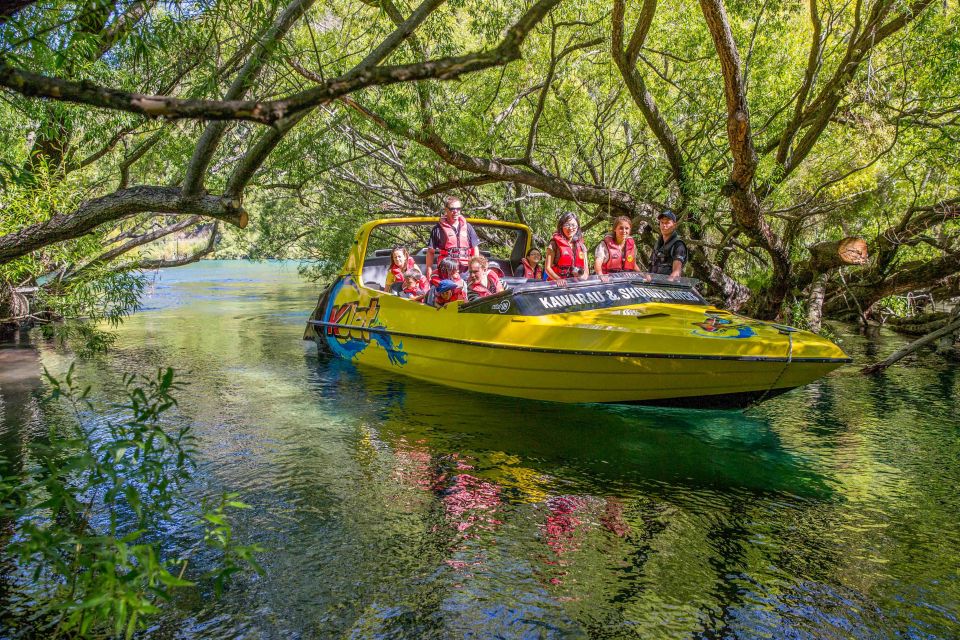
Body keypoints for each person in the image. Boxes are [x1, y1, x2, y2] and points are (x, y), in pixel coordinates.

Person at [426, 195, 479, 279]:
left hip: (465, 269)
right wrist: (429, 270)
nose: (455, 212)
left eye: (458, 209)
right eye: (452, 209)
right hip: (447, 268)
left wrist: (475, 268)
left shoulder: (468, 227)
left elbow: (475, 249)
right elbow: (430, 251)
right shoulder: (437, 229)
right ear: (446, 209)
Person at [544, 212, 589, 282]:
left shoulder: (581, 245)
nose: (570, 228)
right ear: (561, 226)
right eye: (567, 225)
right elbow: (547, 268)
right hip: (557, 285)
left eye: (573, 225)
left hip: (575, 284)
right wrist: (558, 279)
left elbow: (586, 269)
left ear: (578, 227)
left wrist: (583, 278)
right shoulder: (553, 244)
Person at [649, 209, 687, 279]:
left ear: (674, 225)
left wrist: (667, 283)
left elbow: (676, 272)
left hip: (668, 287)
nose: (664, 225)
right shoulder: (658, 244)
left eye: (667, 223)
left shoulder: (678, 245)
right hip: (652, 286)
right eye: (662, 222)